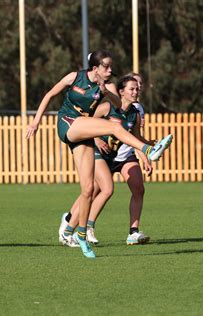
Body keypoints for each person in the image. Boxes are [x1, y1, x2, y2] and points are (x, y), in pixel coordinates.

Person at [26, 50, 173, 258]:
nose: (110, 70)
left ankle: (81, 236)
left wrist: (108, 92)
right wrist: (36, 121)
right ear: (95, 68)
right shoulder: (74, 77)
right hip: (67, 123)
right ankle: (148, 149)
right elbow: (49, 95)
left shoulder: (106, 87)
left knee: (88, 189)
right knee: (112, 128)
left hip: (82, 132)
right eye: (106, 66)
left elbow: (118, 105)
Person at [59, 74, 154, 247]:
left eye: (138, 88)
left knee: (135, 188)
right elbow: (86, 124)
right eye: (132, 88)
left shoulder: (136, 113)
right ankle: (76, 226)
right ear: (121, 92)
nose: (136, 91)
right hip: (99, 153)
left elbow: (136, 138)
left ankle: (132, 232)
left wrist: (150, 148)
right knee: (99, 189)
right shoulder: (106, 108)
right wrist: (96, 139)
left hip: (121, 156)